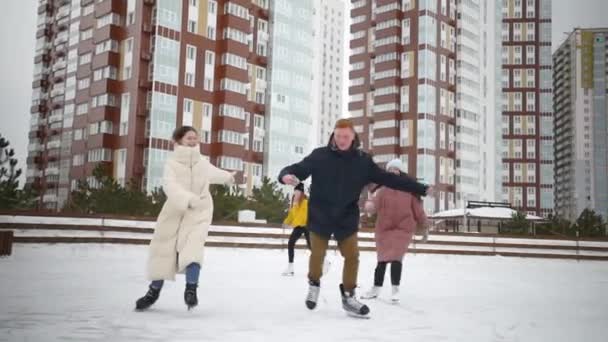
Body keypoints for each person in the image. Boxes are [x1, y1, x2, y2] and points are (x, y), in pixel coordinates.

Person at [278, 119, 433, 318]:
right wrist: (285, 176)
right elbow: (296, 169)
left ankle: (349, 296)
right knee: (317, 254)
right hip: (320, 215)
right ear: (333, 135)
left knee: (352, 256)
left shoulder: (363, 161)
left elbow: (390, 179)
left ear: (353, 137)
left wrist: (420, 188)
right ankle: (314, 284)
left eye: (346, 136)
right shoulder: (320, 156)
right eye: (338, 136)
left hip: (346, 217)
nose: (341, 140)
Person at [135, 126, 235, 311]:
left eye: (195, 138)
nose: (193, 141)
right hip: (174, 211)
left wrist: (228, 177)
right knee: (164, 251)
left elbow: (214, 173)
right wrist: (187, 199)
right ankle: (153, 292)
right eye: (189, 138)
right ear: (179, 140)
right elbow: (169, 186)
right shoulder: (171, 164)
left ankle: (191, 289)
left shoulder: (202, 162)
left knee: (193, 249)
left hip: (199, 212)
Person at [361, 158, 430, 303]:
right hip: (384, 229)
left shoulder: (409, 190)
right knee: (382, 260)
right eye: (390, 169)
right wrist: (369, 206)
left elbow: (418, 210)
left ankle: (395, 289)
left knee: (396, 259)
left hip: (402, 229)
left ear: (400, 172)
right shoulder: (382, 190)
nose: (393, 172)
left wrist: (424, 226)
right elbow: (373, 204)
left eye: (396, 169)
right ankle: (376, 287)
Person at [281, 183, 311, 276]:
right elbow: (292, 215)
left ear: (302, 193)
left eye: (298, 192)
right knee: (291, 243)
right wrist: (286, 222)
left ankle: (323, 263)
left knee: (311, 246)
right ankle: (290, 267)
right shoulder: (295, 203)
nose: (296, 194)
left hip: (307, 226)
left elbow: (304, 216)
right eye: (295, 192)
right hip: (299, 226)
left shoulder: (305, 202)